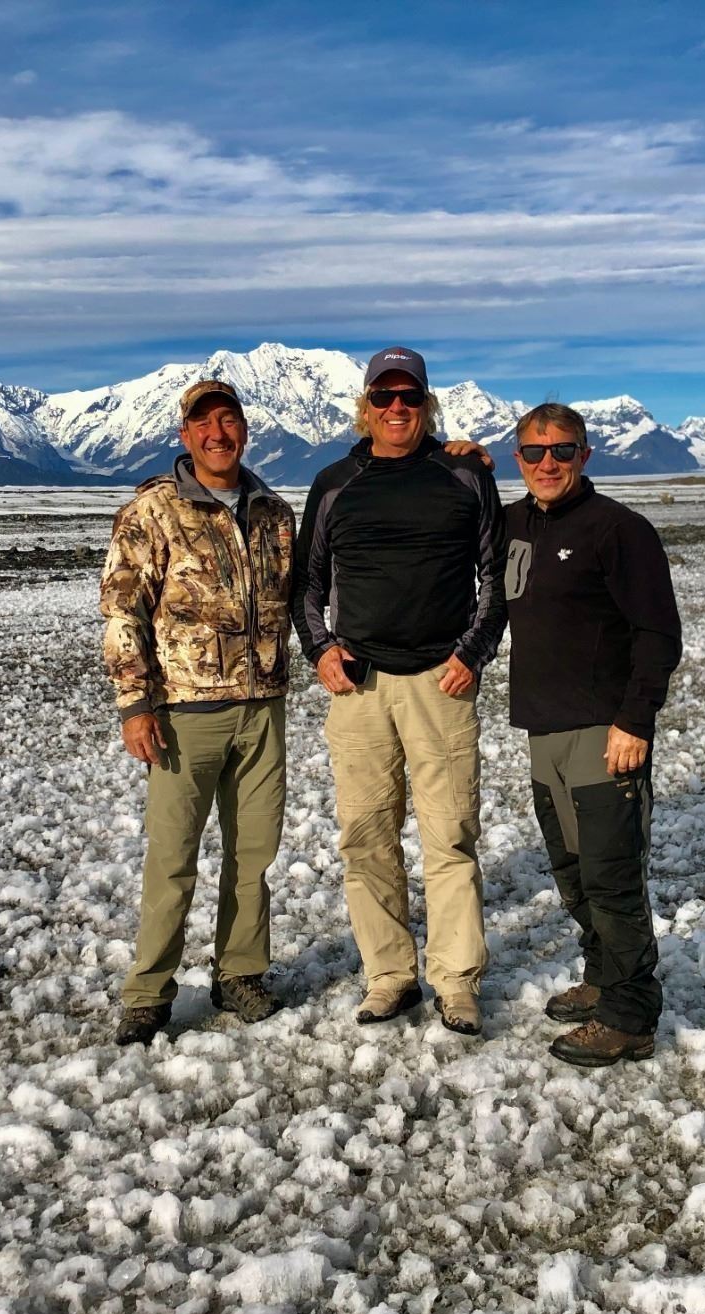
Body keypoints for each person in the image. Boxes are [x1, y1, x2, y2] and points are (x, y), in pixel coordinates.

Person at [292, 346, 507, 1035]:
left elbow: (496, 577)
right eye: (382, 397)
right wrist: (321, 650)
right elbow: (307, 584)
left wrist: (473, 651)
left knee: (450, 837)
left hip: (441, 683)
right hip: (360, 688)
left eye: (408, 397)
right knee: (366, 837)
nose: (395, 408)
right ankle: (389, 976)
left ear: (426, 404)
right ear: (365, 406)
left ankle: (456, 982)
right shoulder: (334, 483)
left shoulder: (465, 475)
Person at [100, 379, 295, 1047]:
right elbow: (122, 609)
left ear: (245, 429)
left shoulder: (273, 511)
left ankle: (239, 972)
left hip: (262, 708)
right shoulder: (152, 511)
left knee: (254, 853)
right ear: (185, 435)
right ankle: (149, 992)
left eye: (228, 420)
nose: (218, 434)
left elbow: (301, 594)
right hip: (184, 712)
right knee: (173, 856)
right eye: (203, 423)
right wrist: (135, 702)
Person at [503, 402, 683, 1067]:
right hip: (543, 728)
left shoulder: (619, 530)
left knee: (611, 877)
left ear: (585, 455)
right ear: (518, 458)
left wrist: (636, 720)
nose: (548, 463)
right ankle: (604, 975)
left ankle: (629, 1016)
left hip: (606, 730)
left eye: (562, 450)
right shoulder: (512, 524)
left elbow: (658, 634)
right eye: (534, 451)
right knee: (574, 873)